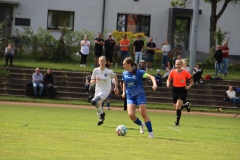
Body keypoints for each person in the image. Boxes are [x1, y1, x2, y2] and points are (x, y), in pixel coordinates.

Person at [122, 57, 157, 138]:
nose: (123, 65)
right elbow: (124, 82)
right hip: (130, 96)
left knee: (143, 113)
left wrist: (154, 84)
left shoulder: (139, 72)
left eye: (124, 64)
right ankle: (141, 124)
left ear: (129, 64)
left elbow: (152, 77)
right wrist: (124, 92)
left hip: (139, 95)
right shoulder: (124, 73)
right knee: (131, 115)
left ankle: (151, 133)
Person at [90, 56, 119, 126]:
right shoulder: (95, 70)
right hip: (97, 90)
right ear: (98, 62)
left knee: (94, 101)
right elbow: (92, 79)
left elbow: (115, 77)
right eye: (101, 61)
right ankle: (101, 117)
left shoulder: (109, 71)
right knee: (97, 106)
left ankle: (102, 114)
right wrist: (92, 82)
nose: (102, 62)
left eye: (103, 61)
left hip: (105, 91)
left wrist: (116, 87)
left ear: (105, 62)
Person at [166, 59, 194, 126]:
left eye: (179, 64)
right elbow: (168, 79)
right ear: (175, 65)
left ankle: (177, 122)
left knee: (178, 105)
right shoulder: (173, 72)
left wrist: (188, 86)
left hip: (182, 90)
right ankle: (186, 105)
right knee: (176, 107)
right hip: (175, 89)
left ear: (181, 65)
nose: (178, 65)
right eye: (177, 64)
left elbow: (192, 81)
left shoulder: (185, 72)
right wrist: (168, 83)